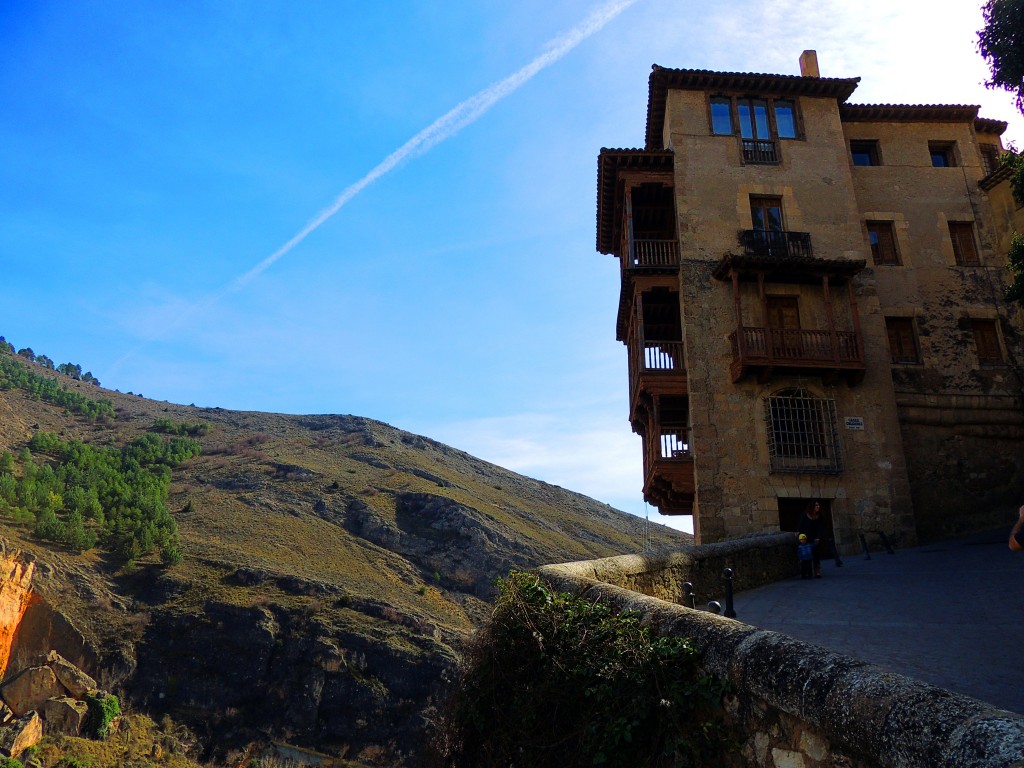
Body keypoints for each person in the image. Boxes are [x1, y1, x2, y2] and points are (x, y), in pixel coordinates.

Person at [798, 500, 825, 578]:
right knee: (806, 556)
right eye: (816, 505)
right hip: (807, 538)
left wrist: (818, 538)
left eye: (818, 505)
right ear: (812, 506)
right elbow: (801, 526)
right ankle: (806, 572)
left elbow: (821, 528)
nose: (818, 507)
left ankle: (817, 571)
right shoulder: (805, 515)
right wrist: (799, 534)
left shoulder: (820, 516)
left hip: (816, 538)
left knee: (816, 555)